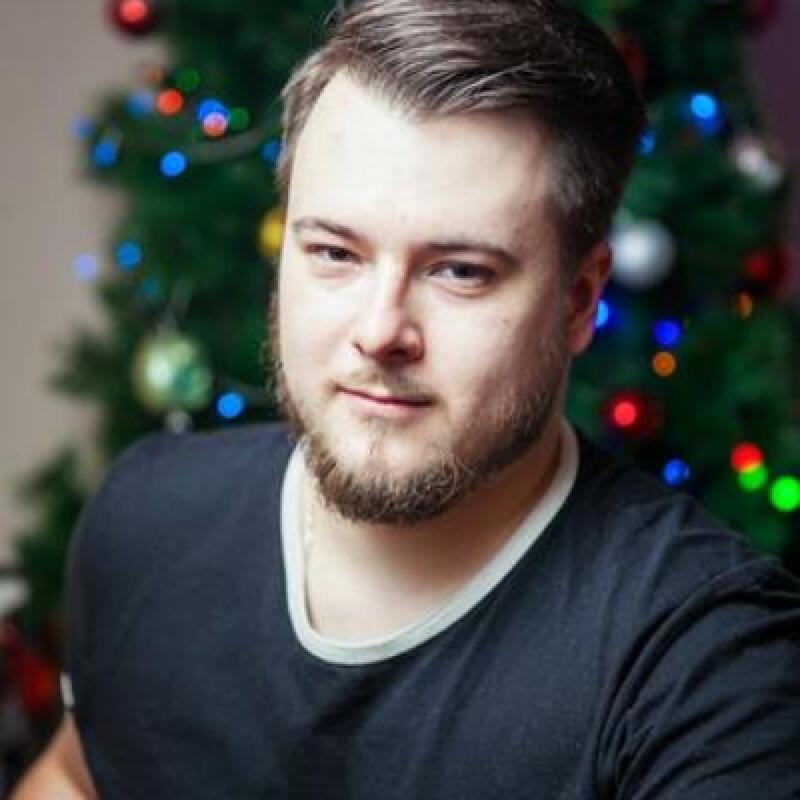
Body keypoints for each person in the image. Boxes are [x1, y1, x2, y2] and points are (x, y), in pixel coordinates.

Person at [13, 0, 800, 797]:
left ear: (578, 302)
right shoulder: (147, 515)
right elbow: (80, 775)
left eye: (460, 270)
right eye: (333, 252)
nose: (380, 331)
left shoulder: (709, 661)